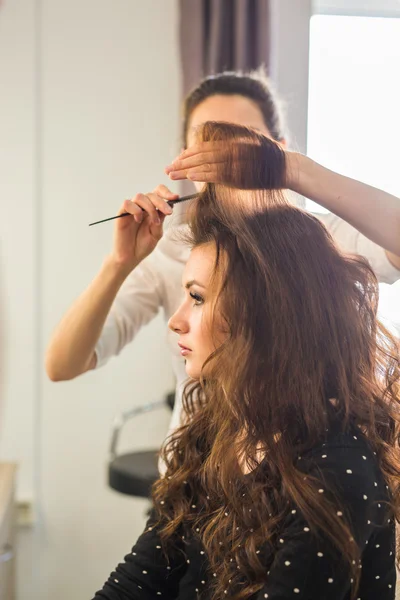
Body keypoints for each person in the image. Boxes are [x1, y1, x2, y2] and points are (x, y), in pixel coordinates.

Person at [91, 122, 400, 600]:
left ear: (265, 315)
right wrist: (118, 262)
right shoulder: (217, 429)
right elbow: (140, 580)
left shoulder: (331, 476)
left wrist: (292, 170)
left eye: (196, 297)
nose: (175, 322)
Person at [45, 70, 400, 478]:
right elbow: (63, 365)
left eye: (244, 141)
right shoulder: (174, 250)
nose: (227, 158)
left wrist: (294, 171)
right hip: (192, 478)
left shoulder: (324, 242)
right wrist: (119, 264)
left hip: (298, 482)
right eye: (208, 145)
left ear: (278, 151)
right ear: (185, 159)